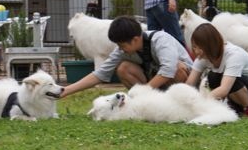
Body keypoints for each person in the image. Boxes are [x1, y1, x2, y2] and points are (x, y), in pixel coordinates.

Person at [61, 15, 192, 98]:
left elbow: (168, 70)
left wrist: (144, 90)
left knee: (176, 67)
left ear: (135, 39)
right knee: (123, 68)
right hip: (156, 86)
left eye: (122, 45)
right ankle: (148, 102)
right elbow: (100, 74)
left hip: (187, 84)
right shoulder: (122, 49)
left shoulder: (161, 40)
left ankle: (178, 103)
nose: (120, 48)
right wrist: (65, 91)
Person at [185, 23, 248, 118]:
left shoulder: (234, 55)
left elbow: (224, 89)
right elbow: (189, 84)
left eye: (199, 47)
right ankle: (236, 108)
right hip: (239, 88)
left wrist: (200, 102)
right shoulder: (204, 57)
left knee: (221, 76)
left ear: (210, 45)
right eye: (194, 47)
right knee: (213, 77)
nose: (196, 51)